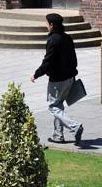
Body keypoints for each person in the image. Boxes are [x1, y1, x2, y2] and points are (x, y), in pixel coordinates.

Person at [30, 12, 84, 145]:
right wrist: (73, 74)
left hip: (57, 80)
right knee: (59, 106)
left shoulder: (53, 40)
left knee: (53, 106)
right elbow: (74, 59)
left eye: (47, 24)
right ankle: (58, 136)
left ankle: (75, 126)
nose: (46, 26)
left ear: (52, 25)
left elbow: (48, 62)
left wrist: (36, 74)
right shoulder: (67, 38)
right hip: (69, 77)